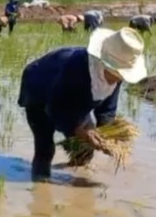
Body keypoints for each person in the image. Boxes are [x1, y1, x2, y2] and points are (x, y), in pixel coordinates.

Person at [17, 27, 147, 181]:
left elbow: (107, 110)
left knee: (85, 148)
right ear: (104, 64)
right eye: (117, 74)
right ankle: (41, 185)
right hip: (39, 93)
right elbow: (55, 108)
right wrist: (79, 130)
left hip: (73, 97)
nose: (119, 79)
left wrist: (107, 137)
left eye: (122, 75)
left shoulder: (117, 77)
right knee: (45, 148)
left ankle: (77, 174)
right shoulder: (77, 69)